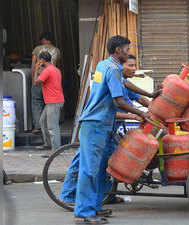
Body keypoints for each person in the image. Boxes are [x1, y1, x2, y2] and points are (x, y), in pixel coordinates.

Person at [64, 35, 156, 224]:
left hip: (102, 124)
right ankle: (83, 213)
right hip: (95, 124)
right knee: (89, 169)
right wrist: (142, 114)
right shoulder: (113, 69)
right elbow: (119, 100)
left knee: (101, 169)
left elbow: (125, 85)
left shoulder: (104, 65)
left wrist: (150, 95)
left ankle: (95, 207)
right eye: (126, 49)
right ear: (117, 51)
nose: (128, 52)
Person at [32, 52, 65, 155]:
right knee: (43, 121)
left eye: (39, 60)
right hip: (53, 101)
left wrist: (36, 69)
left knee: (52, 127)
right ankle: (48, 144)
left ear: (42, 60)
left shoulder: (47, 71)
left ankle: (55, 151)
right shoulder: (55, 69)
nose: (38, 62)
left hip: (53, 102)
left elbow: (35, 83)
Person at [31, 32, 61, 134]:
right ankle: (48, 126)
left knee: (36, 102)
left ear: (43, 39)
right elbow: (57, 64)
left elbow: (33, 65)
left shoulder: (37, 49)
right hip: (51, 80)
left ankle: (38, 127)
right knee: (48, 103)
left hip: (39, 78)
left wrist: (33, 77)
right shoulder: (57, 50)